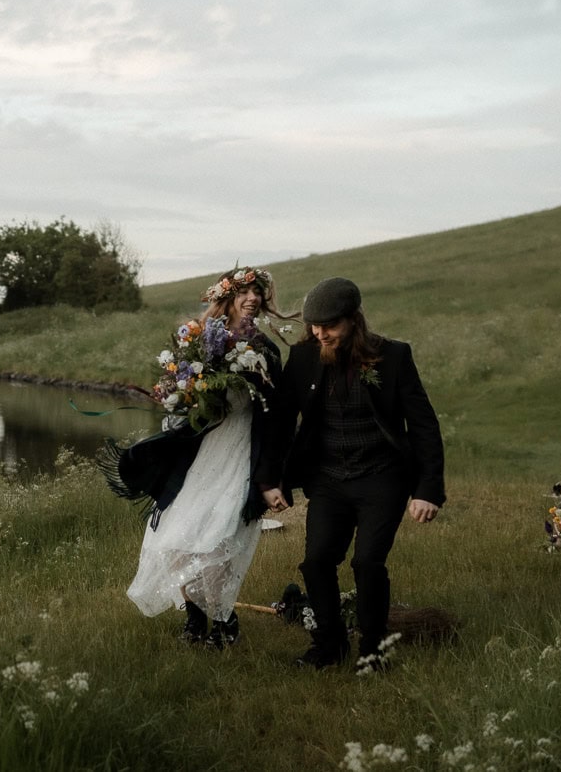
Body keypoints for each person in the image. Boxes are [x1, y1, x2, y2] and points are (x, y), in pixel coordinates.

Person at [256, 277, 445, 672]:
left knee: (367, 563)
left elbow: (423, 425)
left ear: (353, 321)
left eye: (329, 326)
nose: (320, 333)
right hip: (327, 478)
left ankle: (374, 652)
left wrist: (427, 489)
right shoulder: (306, 357)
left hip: (382, 476)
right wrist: (271, 480)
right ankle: (330, 644)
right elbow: (281, 422)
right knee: (317, 561)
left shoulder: (393, 357)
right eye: (314, 326)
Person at [103, 266, 293, 649]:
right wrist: (184, 396)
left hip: (241, 451)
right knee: (178, 537)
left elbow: (277, 418)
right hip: (201, 451)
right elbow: (183, 398)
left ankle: (225, 623)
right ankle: (194, 616)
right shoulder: (201, 342)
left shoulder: (267, 351)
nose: (253, 298)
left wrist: (272, 478)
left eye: (259, 292)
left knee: (218, 538)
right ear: (228, 297)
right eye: (245, 291)